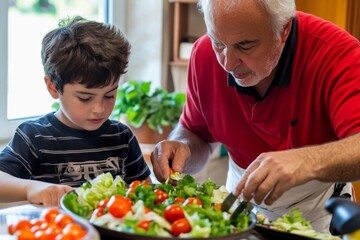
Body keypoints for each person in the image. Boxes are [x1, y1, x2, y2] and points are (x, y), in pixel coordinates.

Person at [150, 0, 360, 233]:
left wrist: (306, 162)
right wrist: (183, 147)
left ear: (283, 30)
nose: (228, 63)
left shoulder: (336, 54)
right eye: (218, 43)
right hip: (238, 207)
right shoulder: (203, 54)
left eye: (245, 45)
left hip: (316, 212)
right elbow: (196, 133)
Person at [0, 16, 151, 207]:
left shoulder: (122, 137)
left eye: (110, 95)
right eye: (85, 98)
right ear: (53, 87)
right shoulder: (34, 136)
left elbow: (144, 194)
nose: (99, 109)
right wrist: (31, 188)